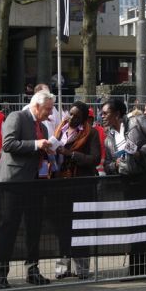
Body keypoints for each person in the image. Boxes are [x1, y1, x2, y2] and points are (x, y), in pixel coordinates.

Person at [101, 97, 146, 285]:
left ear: (117, 114)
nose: (102, 116)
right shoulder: (108, 138)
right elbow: (107, 164)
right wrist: (115, 165)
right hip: (130, 185)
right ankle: (138, 270)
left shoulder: (137, 122)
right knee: (136, 228)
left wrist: (142, 152)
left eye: (106, 113)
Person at [0, 90, 56, 289]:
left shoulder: (43, 127)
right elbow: (8, 144)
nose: (50, 113)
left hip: (35, 183)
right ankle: (1, 273)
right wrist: (36, 144)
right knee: (8, 228)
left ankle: (32, 270)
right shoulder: (17, 117)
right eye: (48, 109)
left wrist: (47, 150)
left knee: (34, 227)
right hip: (13, 183)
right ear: (36, 106)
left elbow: (36, 150)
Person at [52, 101, 101, 280]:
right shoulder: (61, 129)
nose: (71, 118)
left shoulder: (91, 133)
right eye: (70, 114)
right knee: (62, 227)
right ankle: (62, 268)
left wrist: (71, 154)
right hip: (61, 183)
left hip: (80, 184)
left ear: (84, 118)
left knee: (81, 227)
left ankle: (82, 268)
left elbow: (95, 159)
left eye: (76, 116)